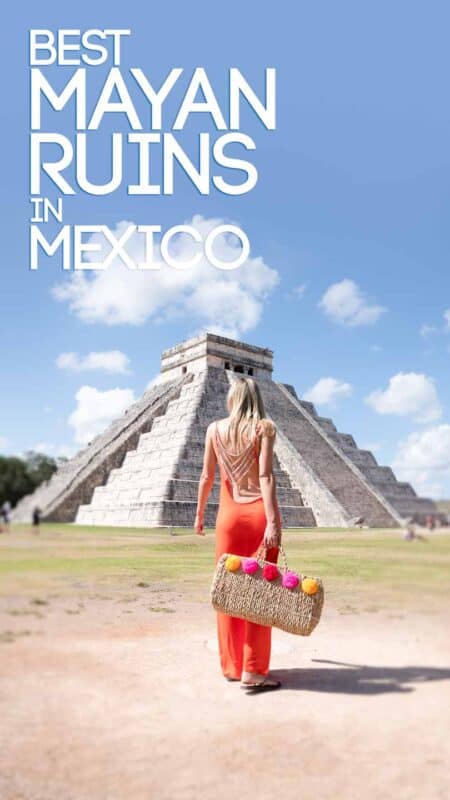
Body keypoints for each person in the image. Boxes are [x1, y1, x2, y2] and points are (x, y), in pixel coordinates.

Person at [194, 376, 283, 693]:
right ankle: (254, 670)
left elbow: (206, 476)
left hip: (228, 519)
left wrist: (200, 513)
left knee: (229, 591)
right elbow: (266, 476)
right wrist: (272, 522)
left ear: (233, 398)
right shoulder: (264, 428)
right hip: (259, 515)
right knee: (260, 593)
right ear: (256, 399)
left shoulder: (214, 430)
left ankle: (231, 666)